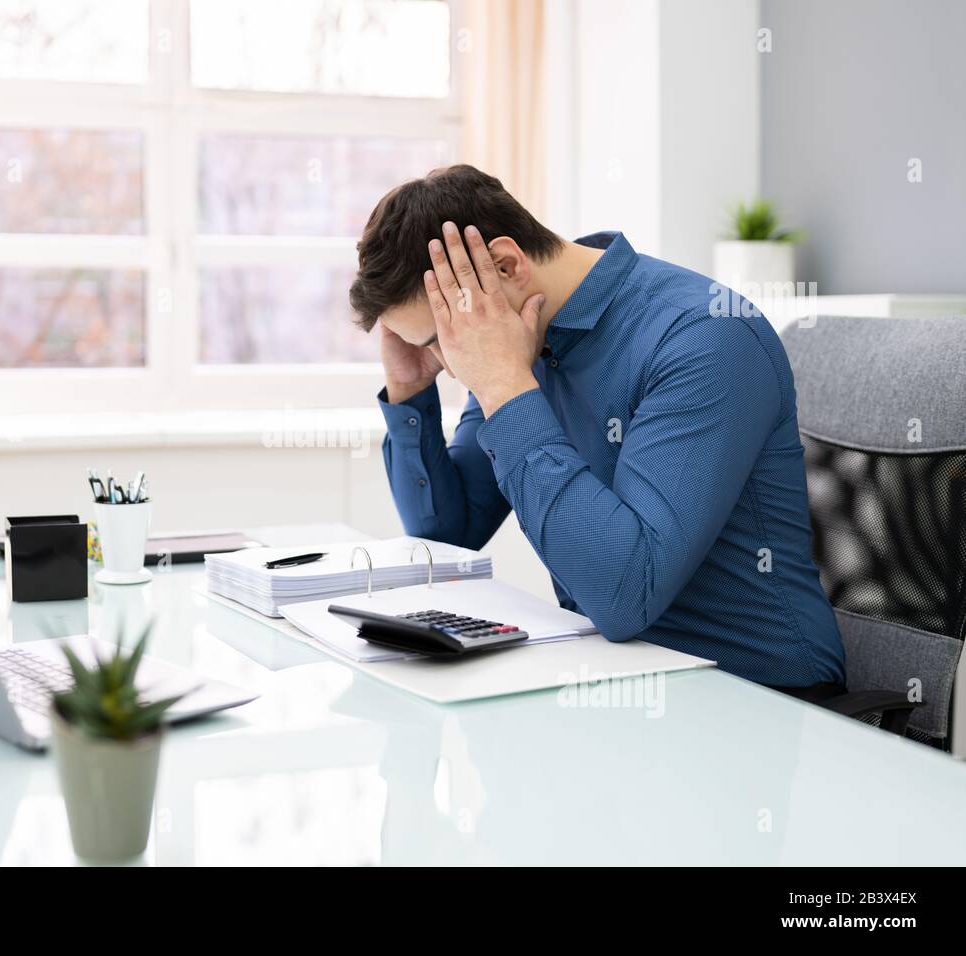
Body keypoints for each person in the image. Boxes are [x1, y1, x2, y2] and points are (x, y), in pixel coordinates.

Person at [349, 164, 844, 694]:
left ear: (505, 265)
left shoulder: (703, 337)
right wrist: (409, 390)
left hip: (756, 697)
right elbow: (448, 537)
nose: (450, 364)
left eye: (436, 339)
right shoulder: (513, 336)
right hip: (619, 679)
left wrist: (505, 386)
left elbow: (624, 593)